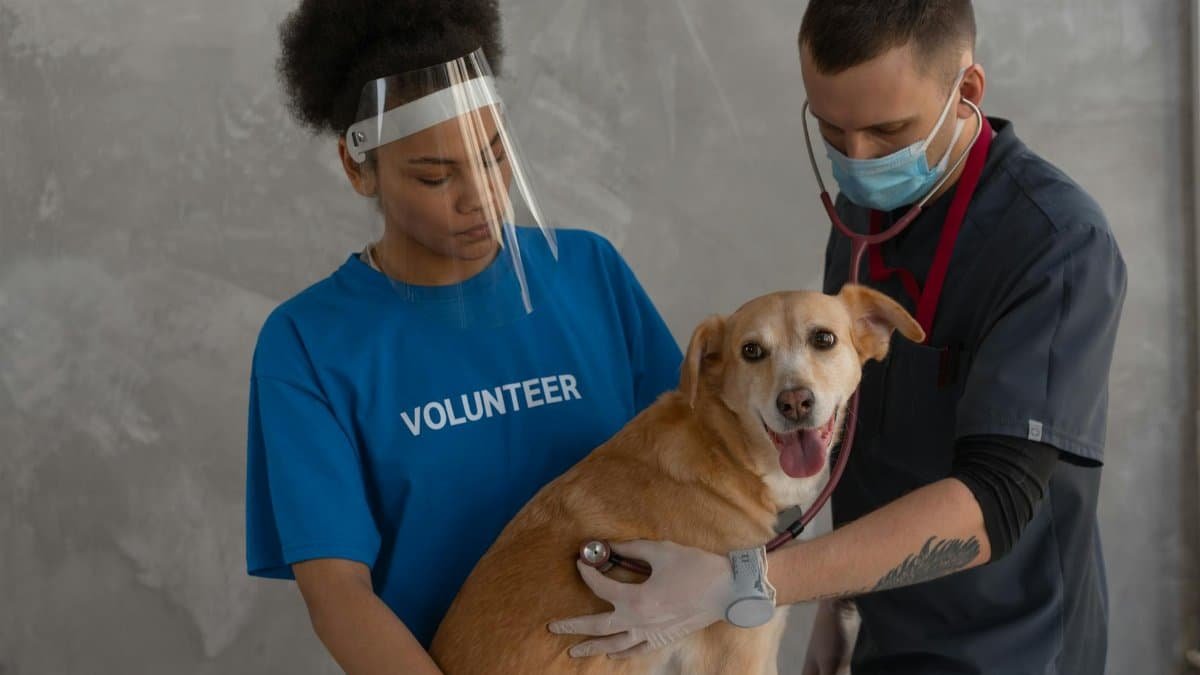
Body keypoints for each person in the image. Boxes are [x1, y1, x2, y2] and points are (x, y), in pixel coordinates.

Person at [549, 2, 1127, 673]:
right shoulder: (865, 212)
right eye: (832, 129)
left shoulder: (1057, 245)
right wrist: (842, 600)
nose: (856, 158)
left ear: (965, 92)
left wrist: (743, 583)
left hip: (1008, 649)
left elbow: (992, 502)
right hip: (886, 628)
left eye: (887, 131)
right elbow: (854, 429)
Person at [243, 2, 683, 673]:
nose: (480, 195)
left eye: (493, 153)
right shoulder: (308, 345)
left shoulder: (590, 274)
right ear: (360, 169)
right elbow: (339, 598)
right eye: (434, 175)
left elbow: (696, 467)